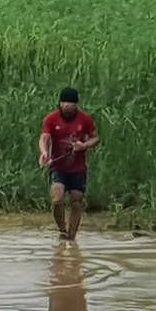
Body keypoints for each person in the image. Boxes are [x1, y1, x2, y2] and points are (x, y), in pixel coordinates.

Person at [39, 88, 100, 240]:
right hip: (58, 166)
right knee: (57, 198)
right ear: (60, 103)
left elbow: (95, 138)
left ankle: (71, 236)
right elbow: (44, 137)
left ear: (75, 104)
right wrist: (44, 152)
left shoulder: (85, 119)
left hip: (78, 168)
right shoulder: (52, 118)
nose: (66, 105)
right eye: (64, 102)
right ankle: (62, 229)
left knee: (76, 200)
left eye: (70, 103)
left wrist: (84, 146)